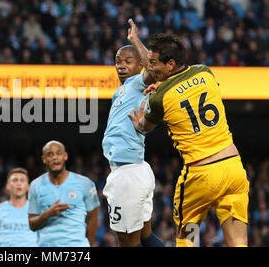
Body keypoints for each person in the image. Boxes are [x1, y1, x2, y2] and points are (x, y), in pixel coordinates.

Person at [128, 33, 249, 247]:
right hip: (233, 170)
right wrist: (136, 41)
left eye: (154, 63)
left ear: (171, 64)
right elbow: (186, 89)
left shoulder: (159, 97)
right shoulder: (205, 72)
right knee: (239, 241)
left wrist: (138, 122)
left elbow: (144, 127)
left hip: (201, 178)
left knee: (187, 239)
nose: (151, 68)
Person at [101, 19, 163, 247]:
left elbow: (154, 68)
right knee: (145, 235)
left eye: (128, 61)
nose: (121, 65)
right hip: (135, 169)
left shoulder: (138, 82)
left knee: (127, 241)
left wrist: (135, 40)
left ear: (139, 66)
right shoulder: (122, 90)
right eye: (118, 61)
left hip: (127, 173)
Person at [28, 140, 100, 247]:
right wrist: (47, 214)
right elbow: (32, 225)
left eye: (58, 153)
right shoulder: (35, 185)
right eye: (50, 154)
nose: (55, 157)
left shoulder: (85, 183)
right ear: (44, 159)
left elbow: (93, 219)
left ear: (65, 156)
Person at [0, 167, 38, 247]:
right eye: (15, 180)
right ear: (7, 186)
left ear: (28, 187)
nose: (19, 183)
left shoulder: (38, 209)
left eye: (22, 180)